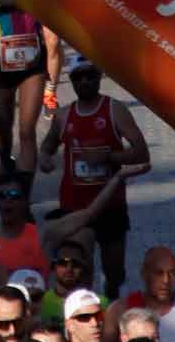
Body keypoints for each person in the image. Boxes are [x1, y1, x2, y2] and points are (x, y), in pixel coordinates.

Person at [38, 60, 149, 295]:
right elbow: (47, 146)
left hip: (111, 205)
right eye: (79, 77)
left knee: (114, 273)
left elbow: (142, 152)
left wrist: (110, 157)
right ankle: (85, 315)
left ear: (99, 77)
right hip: (75, 207)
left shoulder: (114, 110)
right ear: (72, 80)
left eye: (90, 75)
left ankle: (111, 300)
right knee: (78, 271)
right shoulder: (64, 115)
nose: (85, 81)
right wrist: (45, 159)